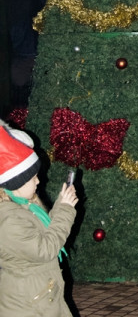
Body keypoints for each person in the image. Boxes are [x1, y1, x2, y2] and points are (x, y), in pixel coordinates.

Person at [0, 124, 78, 317]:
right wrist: (66, 211)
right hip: (28, 304)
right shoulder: (7, 219)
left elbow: (45, 230)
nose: (38, 181)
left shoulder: (21, 206)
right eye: (33, 178)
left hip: (40, 296)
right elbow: (45, 249)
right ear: (16, 183)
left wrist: (61, 204)